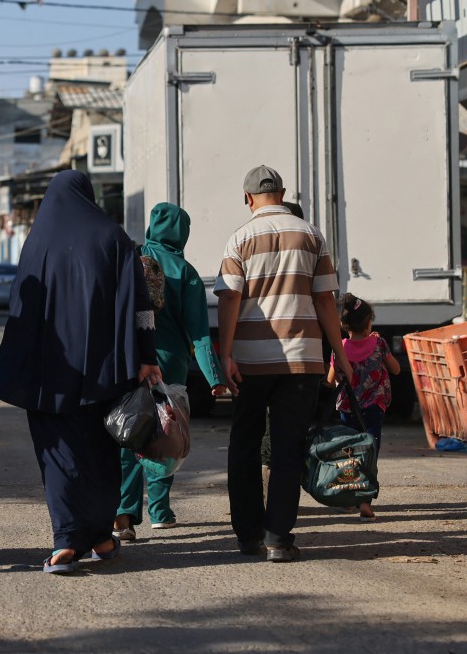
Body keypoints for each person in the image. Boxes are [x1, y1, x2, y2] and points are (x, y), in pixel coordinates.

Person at [0, 170, 162, 575]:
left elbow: (20, 307)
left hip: (49, 372)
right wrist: (146, 355)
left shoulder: (37, 242)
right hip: (105, 371)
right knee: (101, 452)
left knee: (59, 455)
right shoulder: (113, 237)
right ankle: (99, 535)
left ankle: (66, 541)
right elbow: (141, 304)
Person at [214, 165, 351, 563]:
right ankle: (277, 538)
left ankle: (247, 536)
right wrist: (339, 356)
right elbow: (327, 300)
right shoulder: (312, 235)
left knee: (244, 444)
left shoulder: (239, 239)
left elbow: (228, 299)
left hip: (251, 361)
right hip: (302, 360)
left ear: (248, 198)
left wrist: (225, 354)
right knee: (289, 448)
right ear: (284, 193)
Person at [114, 202, 226, 540]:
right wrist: (215, 379)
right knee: (164, 434)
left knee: (130, 432)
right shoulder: (187, 273)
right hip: (171, 366)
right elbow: (200, 334)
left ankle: (124, 516)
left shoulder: (132, 259)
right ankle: (160, 511)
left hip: (131, 362)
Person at [326, 293, 400, 519]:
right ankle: (365, 502)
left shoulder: (339, 348)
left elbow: (329, 382)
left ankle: (349, 499)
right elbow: (396, 369)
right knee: (369, 452)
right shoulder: (379, 344)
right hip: (374, 409)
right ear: (369, 323)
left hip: (348, 410)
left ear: (344, 325)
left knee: (349, 452)